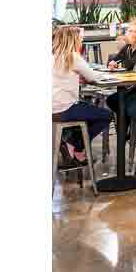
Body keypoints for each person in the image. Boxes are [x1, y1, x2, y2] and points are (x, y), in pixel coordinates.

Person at [52, 26, 113, 168]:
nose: (82, 40)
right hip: (65, 108)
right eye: (80, 38)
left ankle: (69, 143)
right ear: (73, 39)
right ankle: (77, 145)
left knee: (87, 111)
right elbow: (93, 77)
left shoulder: (53, 56)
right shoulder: (73, 56)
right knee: (106, 115)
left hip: (52, 108)